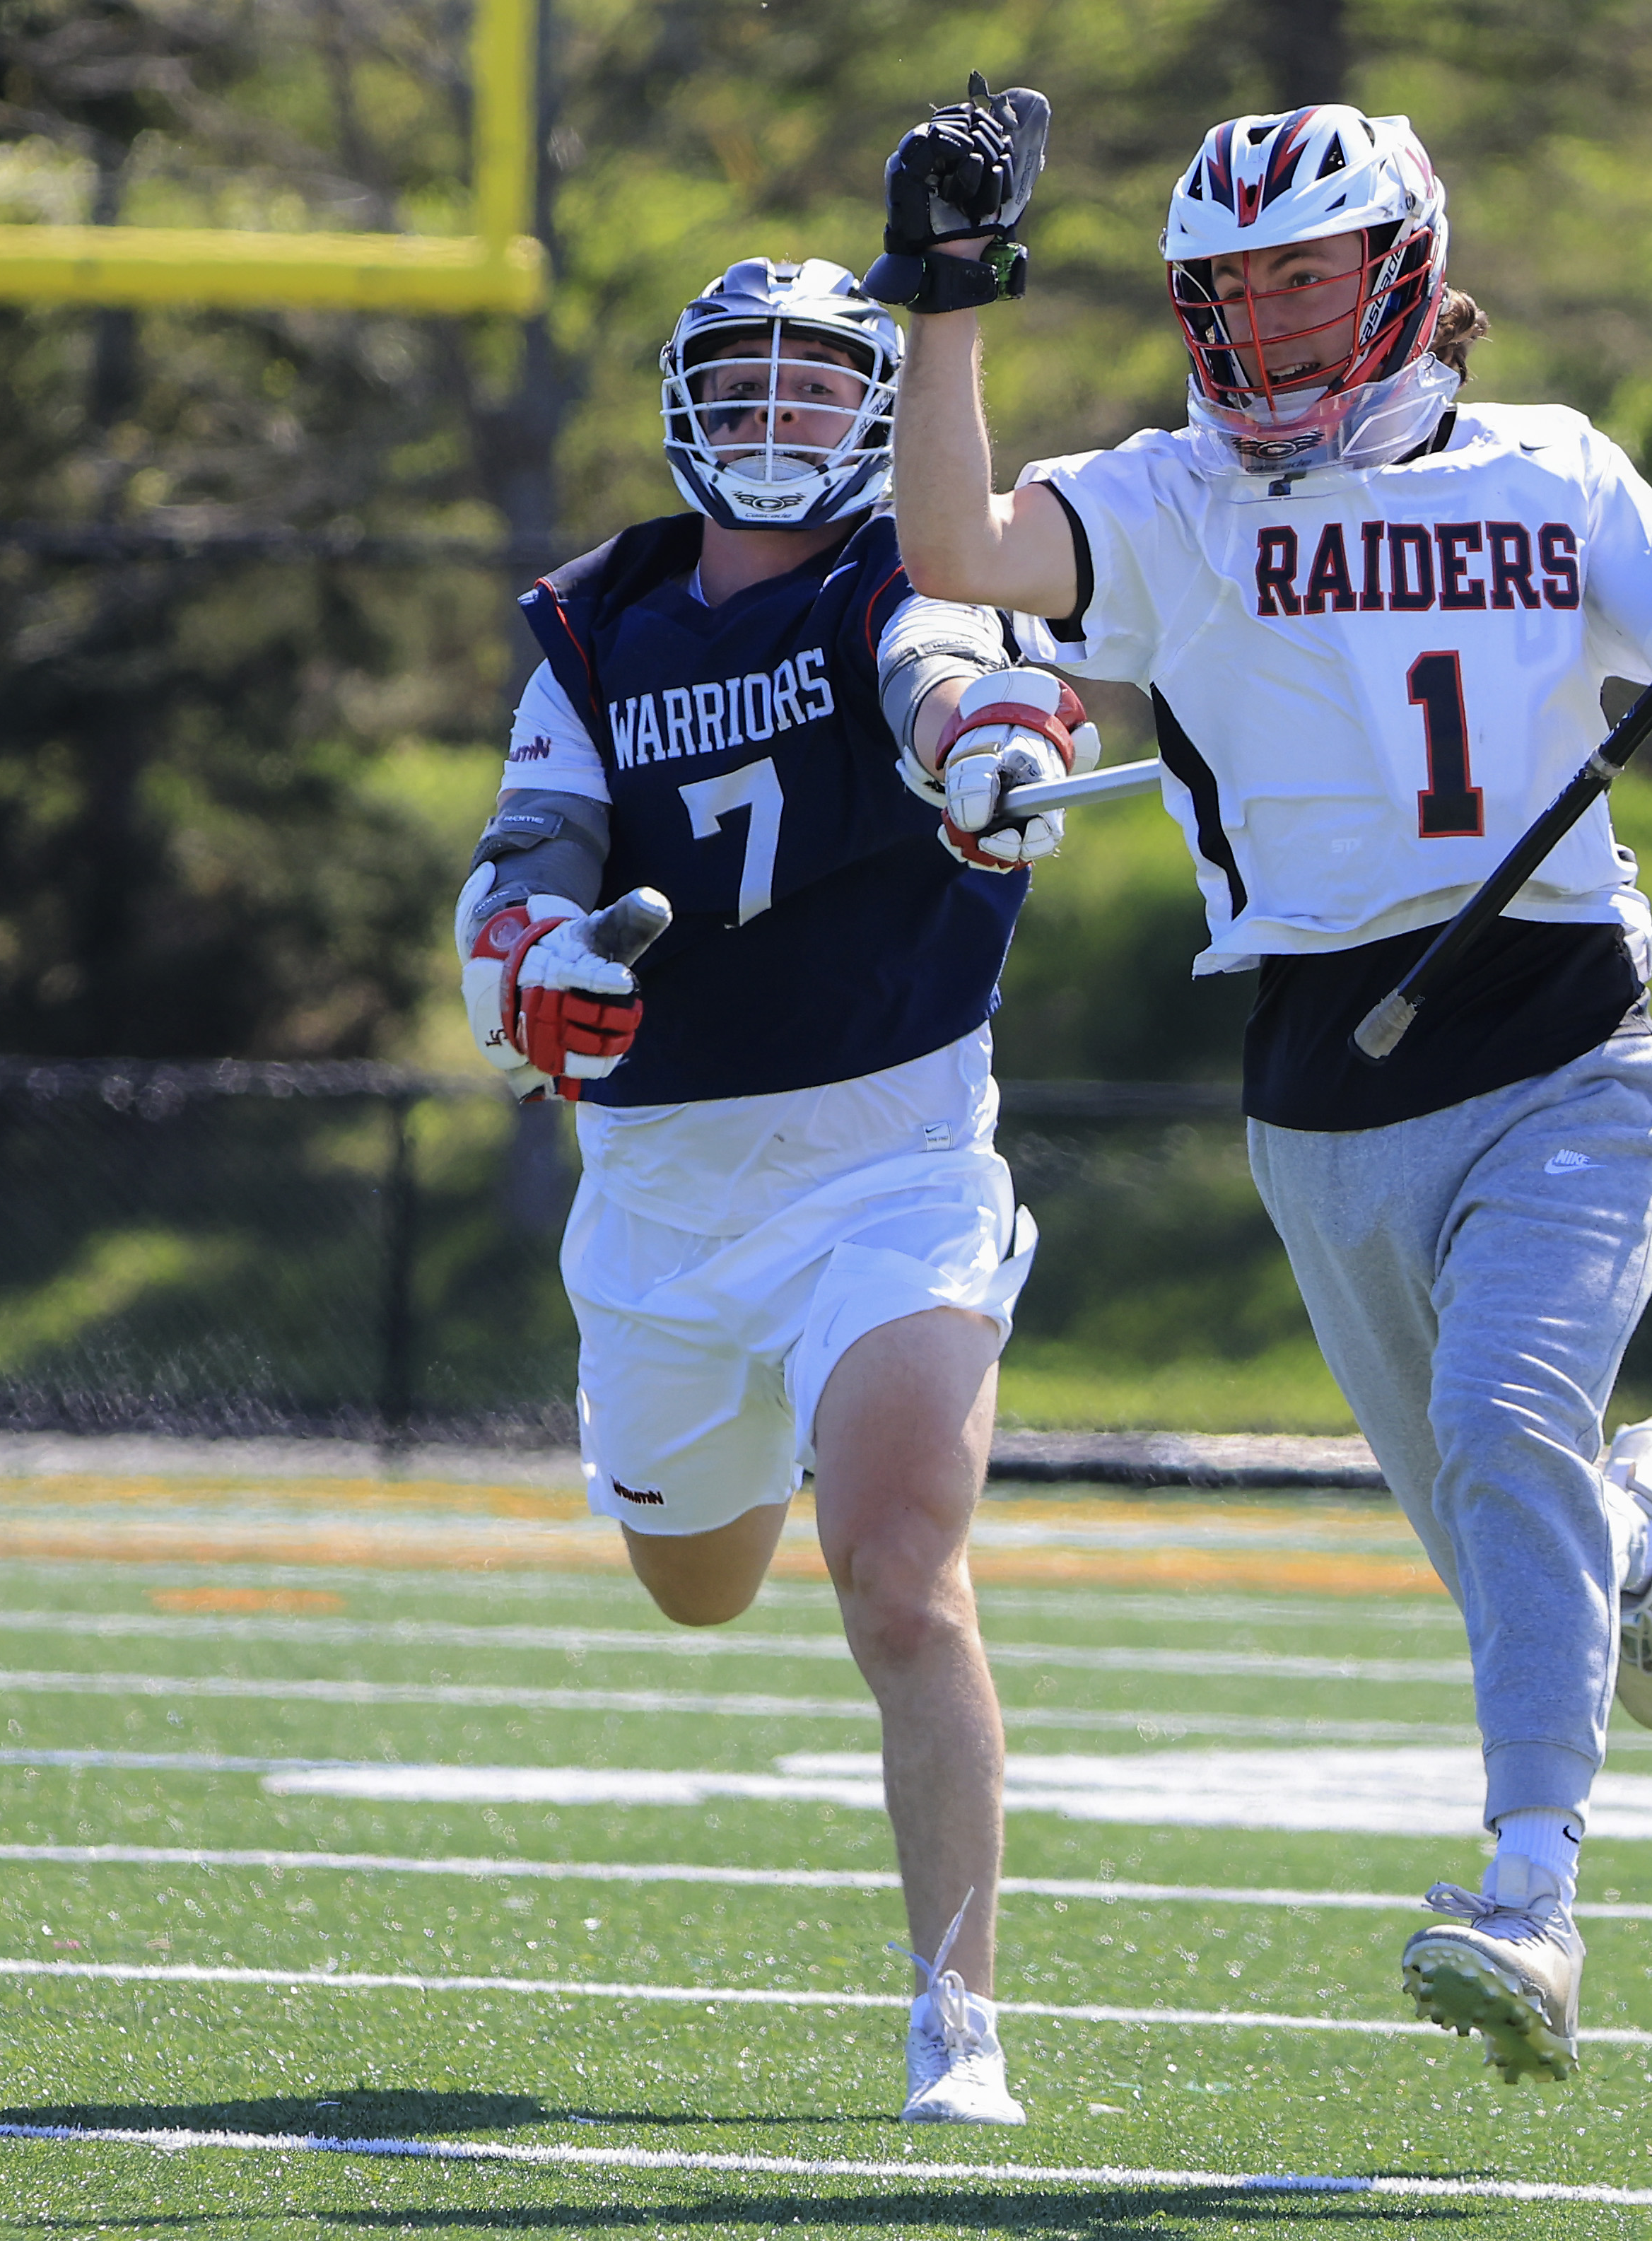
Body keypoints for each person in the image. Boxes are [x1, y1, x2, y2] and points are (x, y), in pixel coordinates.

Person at [874, 96, 1652, 2085]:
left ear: (1398, 267)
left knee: (1501, 1420)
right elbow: (956, 549)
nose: (1265, 313)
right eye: (1229, 283)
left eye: (1302, 270)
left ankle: (1529, 1898)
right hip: (1318, 1089)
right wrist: (945, 303)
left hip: (1563, 1044)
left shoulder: (1555, 471)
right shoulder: (1164, 501)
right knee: (1494, 1516)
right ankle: (1632, 1526)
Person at [455, 253, 1101, 2127]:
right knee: (695, 1586)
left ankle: (956, 2024)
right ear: (673, 399)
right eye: (741, 378)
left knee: (898, 1574)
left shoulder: (906, 572)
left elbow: (947, 688)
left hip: (886, 1160)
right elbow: (518, 867)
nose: (775, 416)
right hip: (662, 1190)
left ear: (878, 407)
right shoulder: (600, 620)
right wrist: (535, 969)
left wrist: (990, 750)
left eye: (819, 385)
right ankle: (708, 1467)